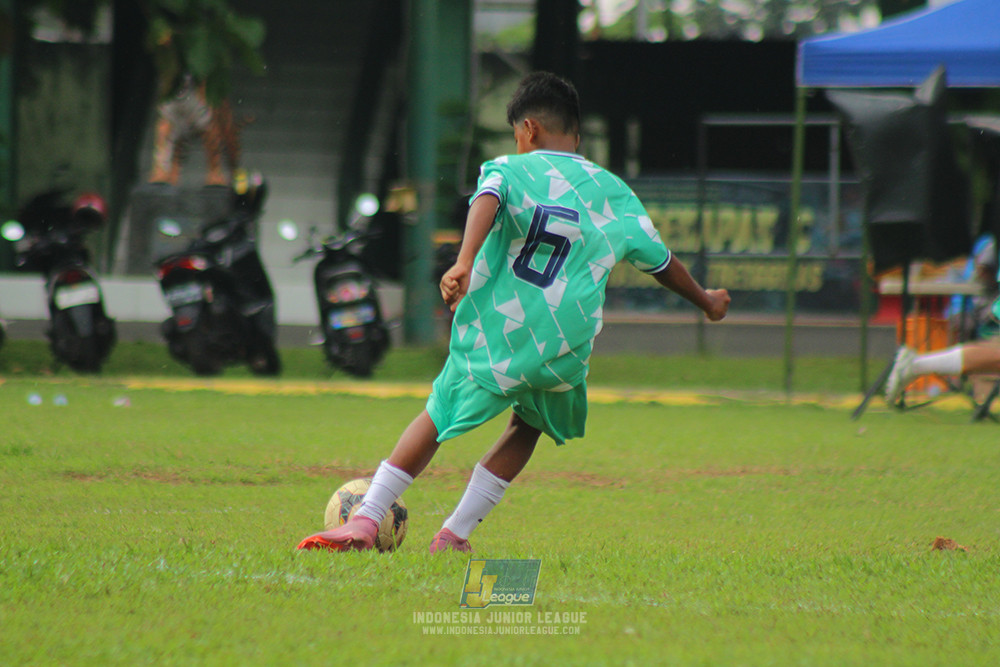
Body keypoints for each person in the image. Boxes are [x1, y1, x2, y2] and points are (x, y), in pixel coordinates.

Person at [297, 72, 731, 554]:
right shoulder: (613, 191)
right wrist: (707, 301)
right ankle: (454, 535)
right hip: (566, 345)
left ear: (528, 129)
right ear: (578, 136)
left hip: (500, 331)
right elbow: (662, 262)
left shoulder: (511, 168)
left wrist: (463, 261)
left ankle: (367, 518)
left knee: (439, 413)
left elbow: (489, 196)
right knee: (530, 425)